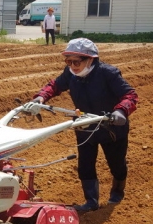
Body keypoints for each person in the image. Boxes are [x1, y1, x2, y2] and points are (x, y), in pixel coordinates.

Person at [32, 38, 138, 212]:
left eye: (76, 61)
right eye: (68, 61)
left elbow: (130, 96)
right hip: (85, 127)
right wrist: (41, 97)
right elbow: (55, 85)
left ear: (90, 59)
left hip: (111, 128)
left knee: (116, 164)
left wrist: (121, 111)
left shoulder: (108, 73)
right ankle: (91, 201)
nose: (72, 65)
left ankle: (117, 192)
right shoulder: (71, 74)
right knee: (85, 165)